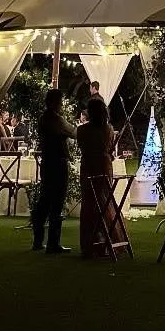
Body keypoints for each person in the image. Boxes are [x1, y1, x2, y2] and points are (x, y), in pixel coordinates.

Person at [76, 94, 123, 256]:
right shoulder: (108, 129)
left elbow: (81, 145)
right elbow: (109, 148)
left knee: (90, 202)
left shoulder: (82, 129)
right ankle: (110, 239)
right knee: (104, 199)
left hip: (89, 164)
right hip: (103, 164)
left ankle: (91, 242)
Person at [30, 87, 73, 253]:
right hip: (58, 163)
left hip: (47, 162)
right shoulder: (56, 120)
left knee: (45, 200)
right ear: (56, 102)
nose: (61, 105)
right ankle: (53, 243)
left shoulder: (43, 118)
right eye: (60, 102)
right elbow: (73, 132)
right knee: (57, 202)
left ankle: (38, 240)